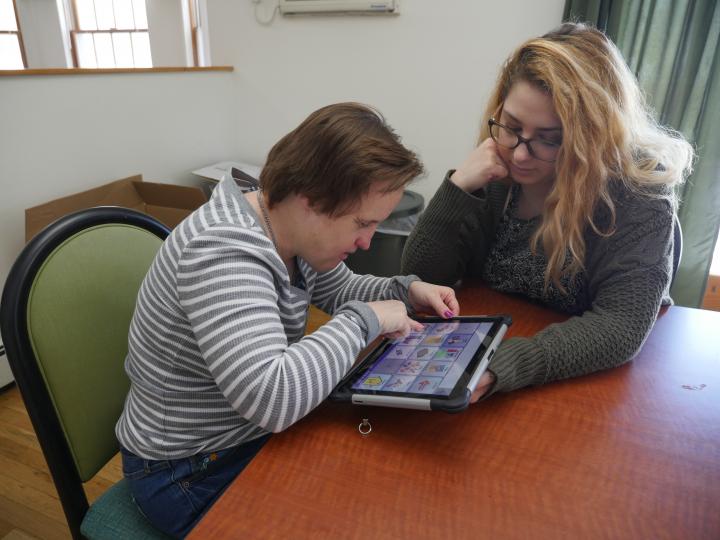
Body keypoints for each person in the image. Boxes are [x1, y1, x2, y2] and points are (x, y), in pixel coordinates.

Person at [115, 102, 459, 537]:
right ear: (310, 199)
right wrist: (364, 320)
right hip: (187, 470)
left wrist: (403, 291)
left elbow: (340, 290)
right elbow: (271, 398)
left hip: (240, 434)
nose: (367, 240)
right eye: (362, 223)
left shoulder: (288, 227)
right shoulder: (223, 251)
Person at [401, 23, 694, 400]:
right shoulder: (499, 168)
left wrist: (501, 365)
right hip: (502, 335)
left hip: (590, 381)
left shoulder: (640, 197)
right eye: (511, 126)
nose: (520, 153)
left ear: (593, 137)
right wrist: (457, 188)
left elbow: (620, 325)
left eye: (550, 139)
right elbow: (422, 276)